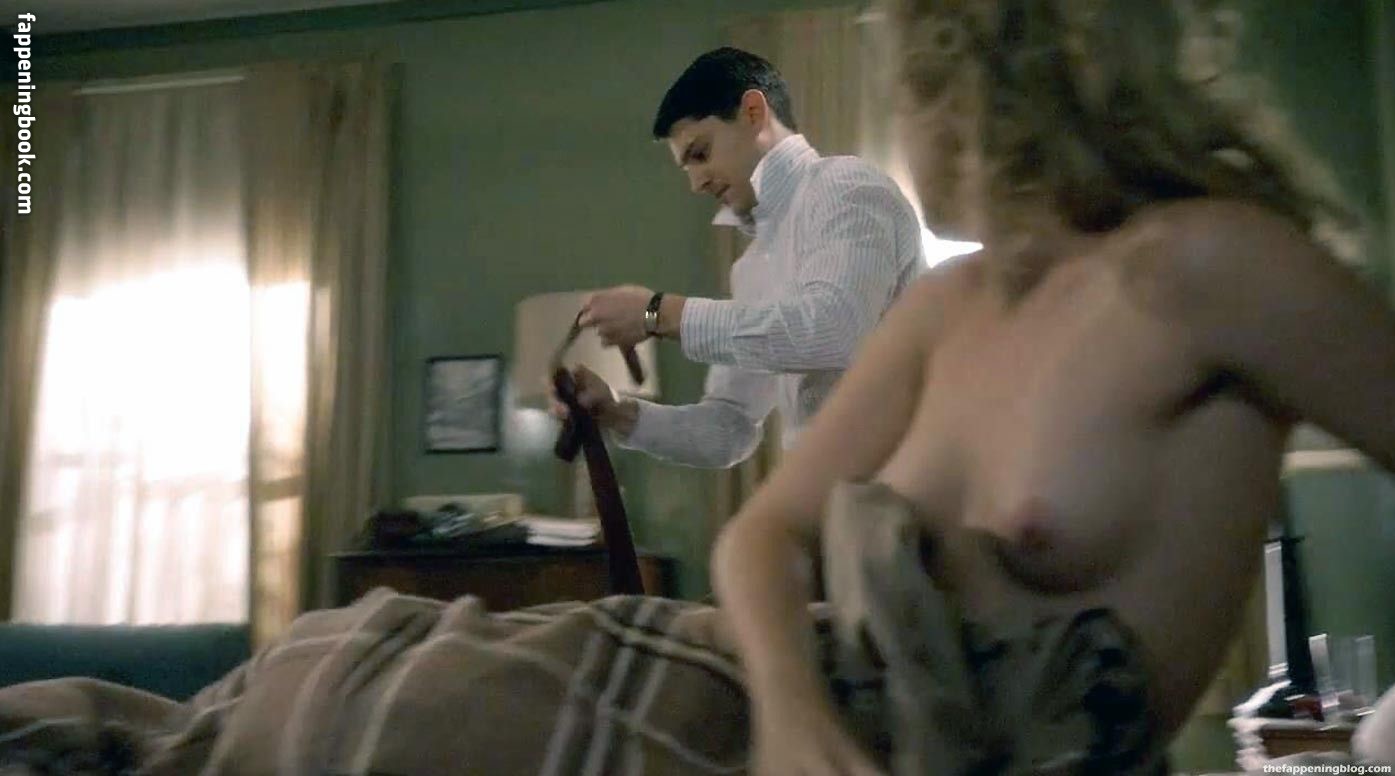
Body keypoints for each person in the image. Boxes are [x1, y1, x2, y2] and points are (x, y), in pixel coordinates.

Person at [710, 1, 1394, 774]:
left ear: (968, 94)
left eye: (905, 90)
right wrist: (791, 714)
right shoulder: (943, 306)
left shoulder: (1205, 263)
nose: (902, 121)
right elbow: (761, 534)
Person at [560, 47, 926, 468]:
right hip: (822, 493)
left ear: (754, 112)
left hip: (908, 488)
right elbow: (729, 428)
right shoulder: (751, 268)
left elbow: (833, 329)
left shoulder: (844, 186)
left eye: (700, 153)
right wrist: (617, 413)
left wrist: (657, 313)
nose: (696, 184)